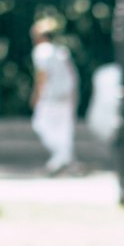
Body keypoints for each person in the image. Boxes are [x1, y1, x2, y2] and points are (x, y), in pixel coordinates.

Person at [30, 17, 78, 176]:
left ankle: (60, 159)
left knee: (40, 124)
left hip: (50, 96)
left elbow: (42, 76)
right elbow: (72, 75)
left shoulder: (41, 51)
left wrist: (36, 95)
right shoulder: (61, 51)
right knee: (64, 129)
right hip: (65, 95)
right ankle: (63, 159)